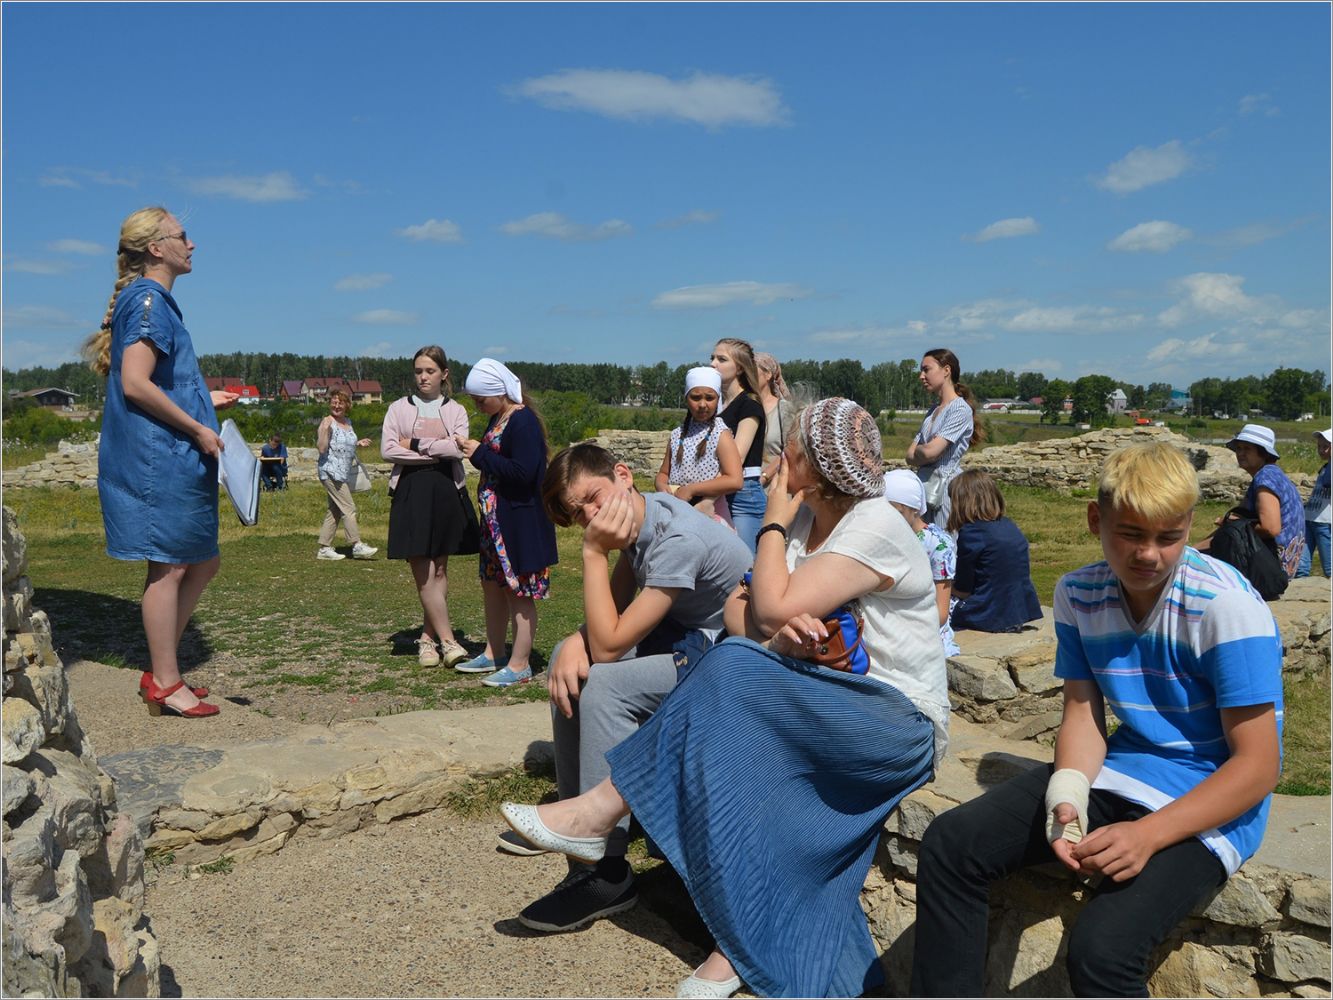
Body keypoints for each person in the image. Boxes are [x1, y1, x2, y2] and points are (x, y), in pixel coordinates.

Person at [501, 399, 950, 998]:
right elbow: (743, 614)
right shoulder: (805, 521)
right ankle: (732, 939)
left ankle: (601, 815)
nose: (777, 460)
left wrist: (771, 532)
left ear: (816, 466)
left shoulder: (872, 524)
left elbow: (766, 606)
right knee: (732, 677)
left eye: (789, 450)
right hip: (826, 695)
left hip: (896, 720)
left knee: (730, 664)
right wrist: (777, 627)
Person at [911, 441, 1283, 997]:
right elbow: (1083, 716)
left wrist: (1148, 835)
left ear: (1189, 526)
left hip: (1213, 795)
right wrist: (1068, 795)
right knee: (951, 845)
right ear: (1095, 520)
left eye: (1169, 537)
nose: (1149, 554)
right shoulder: (1078, 593)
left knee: (1103, 952)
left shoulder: (1226, 606)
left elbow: (1257, 766)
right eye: (1130, 534)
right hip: (1126, 770)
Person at [502, 443, 752, 935]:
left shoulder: (676, 535)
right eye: (579, 514)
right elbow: (608, 620)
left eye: (593, 498)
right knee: (566, 658)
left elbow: (610, 646)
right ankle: (575, 829)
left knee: (605, 684)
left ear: (622, 474)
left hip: (724, 655)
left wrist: (593, 552)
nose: (592, 517)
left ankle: (607, 869)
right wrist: (574, 642)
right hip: (682, 636)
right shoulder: (641, 517)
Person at [82, 206, 232, 718]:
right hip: (157, 459)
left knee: (202, 560)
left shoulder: (150, 300)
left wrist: (205, 400)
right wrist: (198, 427)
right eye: (182, 236)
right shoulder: (148, 301)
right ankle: (166, 682)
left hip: (170, 455)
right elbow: (134, 383)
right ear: (156, 248)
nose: (192, 245)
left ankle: (162, 667)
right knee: (168, 568)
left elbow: (160, 380)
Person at [454, 358, 558, 688]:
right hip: (496, 524)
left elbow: (524, 473)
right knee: (493, 586)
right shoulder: (499, 417)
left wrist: (479, 454)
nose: (477, 405)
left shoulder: (522, 422)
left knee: (518, 591)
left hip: (519, 524)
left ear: (499, 392)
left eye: (480, 399)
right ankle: (494, 652)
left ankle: (520, 663)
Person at [381, 346, 475, 668]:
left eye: (430, 371)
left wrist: (416, 445)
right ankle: (449, 641)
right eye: (419, 371)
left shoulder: (456, 410)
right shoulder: (397, 408)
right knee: (423, 570)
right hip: (411, 489)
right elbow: (388, 450)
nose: (423, 377)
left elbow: (458, 449)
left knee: (440, 569)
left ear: (443, 374)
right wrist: (435, 453)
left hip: (446, 489)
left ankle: (426, 639)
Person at [947, 470, 1042, 633]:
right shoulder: (1008, 525)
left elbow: (963, 589)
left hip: (988, 612)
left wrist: (943, 585)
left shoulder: (972, 533)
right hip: (1019, 608)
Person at [906, 348, 984, 531]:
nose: (921, 376)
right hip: (925, 489)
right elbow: (909, 456)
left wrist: (922, 451)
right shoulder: (933, 410)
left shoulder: (959, 409)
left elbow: (930, 452)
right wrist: (924, 451)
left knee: (944, 541)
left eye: (926, 369)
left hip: (945, 491)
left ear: (946, 370)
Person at [884, 468, 959, 656]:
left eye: (897, 512)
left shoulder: (937, 545)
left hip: (922, 629)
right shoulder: (885, 537)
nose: (890, 519)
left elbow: (940, 613)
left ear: (915, 509)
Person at [653, 366, 742, 524]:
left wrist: (692, 489)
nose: (702, 404)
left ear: (718, 399)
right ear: (686, 398)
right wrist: (661, 484)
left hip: (709, 512)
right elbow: (664, 472)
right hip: (678, 511)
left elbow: (735, 479)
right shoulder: (677, 435)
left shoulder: (720, 434)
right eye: (695, 398)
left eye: (709, 398)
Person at [710, 338, 767, 552]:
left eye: (721, 359)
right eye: (712, 358)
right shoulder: (716, 405)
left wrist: (706, 494)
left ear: (740, 368)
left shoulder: (749, 405)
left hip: (743, 495)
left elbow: (737, 457)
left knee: (744, 562)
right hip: (718, 489)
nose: (713, 364)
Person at [315, 389, 377, 561]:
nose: (336, 406)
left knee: (335, 510)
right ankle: (356, 545)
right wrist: (324, 430)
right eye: (334, 402)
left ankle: (324, 549)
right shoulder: (327, 422)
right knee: (349, 508)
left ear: (347, 405)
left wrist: (358, 443)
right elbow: (322, 448)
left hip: (343, 472)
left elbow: (342, 444)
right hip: (330, 472)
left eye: (340, 402)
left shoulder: (348, 422)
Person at [754, 351, 796, 486]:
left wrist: (764, 477)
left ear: (768, 375)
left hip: (774, 486)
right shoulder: (742, 409)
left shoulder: (785, 410)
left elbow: (791, 451)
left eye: (751, 370)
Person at [1298, 428, 1331, 578]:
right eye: (1319, 446)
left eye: (1326, 446)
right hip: (1309, 519)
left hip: (1325, 522)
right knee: (1301, 567)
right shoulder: (1325, 467)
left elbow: (1328, 482)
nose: (1322, 450)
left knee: (1329, 567)